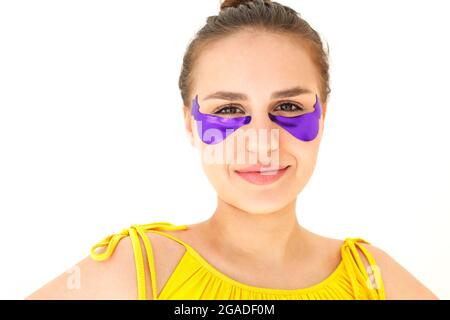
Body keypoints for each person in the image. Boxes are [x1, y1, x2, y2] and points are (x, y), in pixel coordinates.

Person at [27, 0, 438, 300]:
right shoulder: (142, 271)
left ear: (323, 116)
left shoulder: (371, 278)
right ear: (190, 124)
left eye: (289, 107)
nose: (261, 138)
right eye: (228, 110)